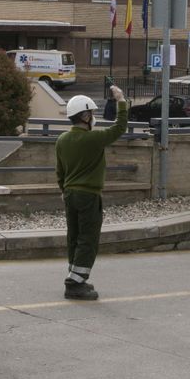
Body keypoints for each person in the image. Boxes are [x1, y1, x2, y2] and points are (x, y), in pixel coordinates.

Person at [55, 84, 128, 300]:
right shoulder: (94, 139)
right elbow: (120, 127)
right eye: (92, 113)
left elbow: (60, 172)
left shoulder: (62, 140)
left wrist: (63, 190)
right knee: (88, 238)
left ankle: (76, 275)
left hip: (69, 194)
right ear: (85, 116)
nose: (93, 117)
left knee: (74, 236)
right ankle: (74, 283)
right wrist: (121, 100)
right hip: (88, 195)